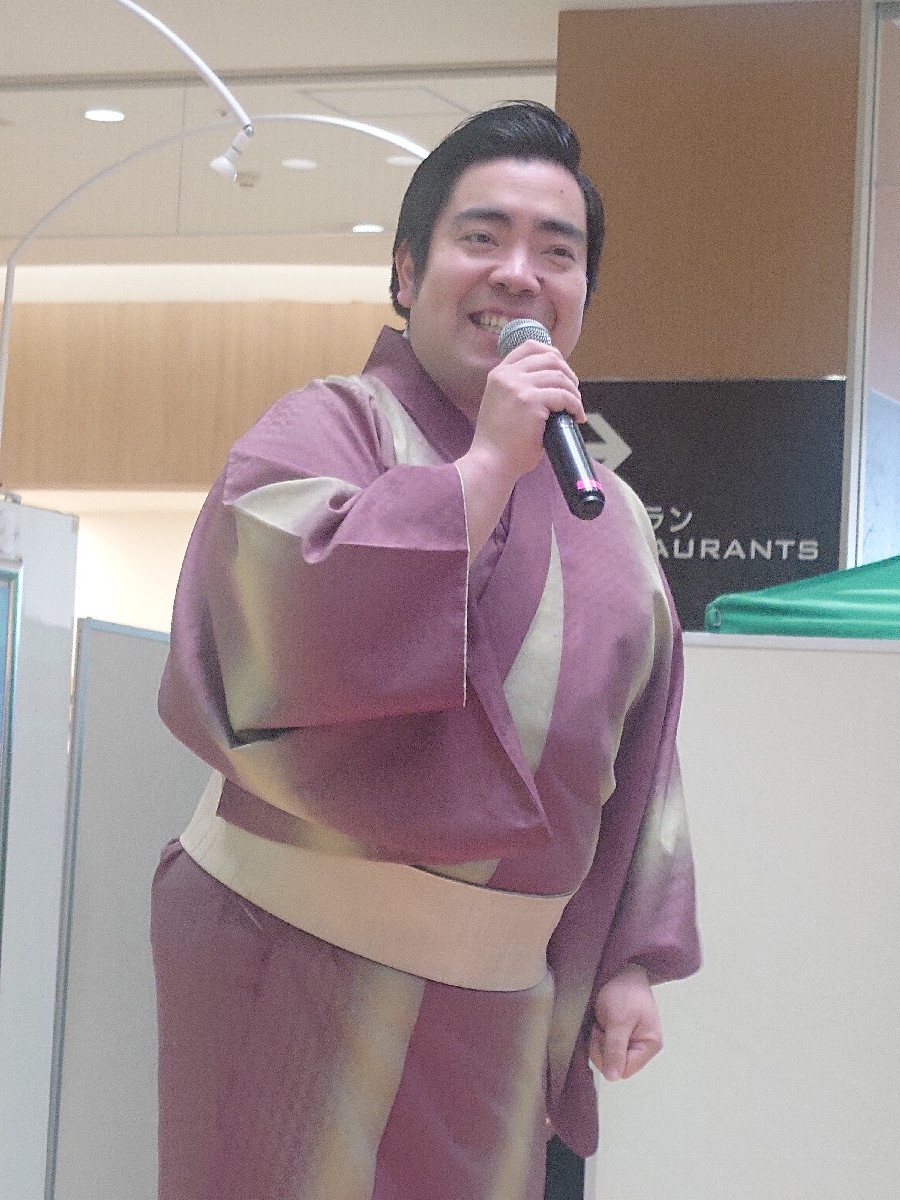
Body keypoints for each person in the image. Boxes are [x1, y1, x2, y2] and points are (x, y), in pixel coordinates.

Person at [151, 101, 700, 1200]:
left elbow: (635, 754)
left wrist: (625, 958)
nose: (518, 275)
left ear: (582, 295)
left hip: (496, 995)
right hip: (286, 942)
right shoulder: (325, 427)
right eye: (481, 238)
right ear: (406, 274)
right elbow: (282, 641)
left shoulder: (613, 513)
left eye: (557, 252)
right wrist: (481, 474)